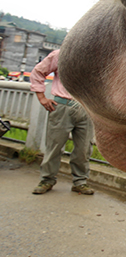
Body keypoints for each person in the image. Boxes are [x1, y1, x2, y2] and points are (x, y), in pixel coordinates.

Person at [31, 49, 94, 195]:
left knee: (84, 149)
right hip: (62, 105)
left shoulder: (95, 54)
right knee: (54, 146)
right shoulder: (61, 54)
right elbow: (38, 72)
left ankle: (80, 182)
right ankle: (47, 180)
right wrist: (42, 97)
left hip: (87, 109)